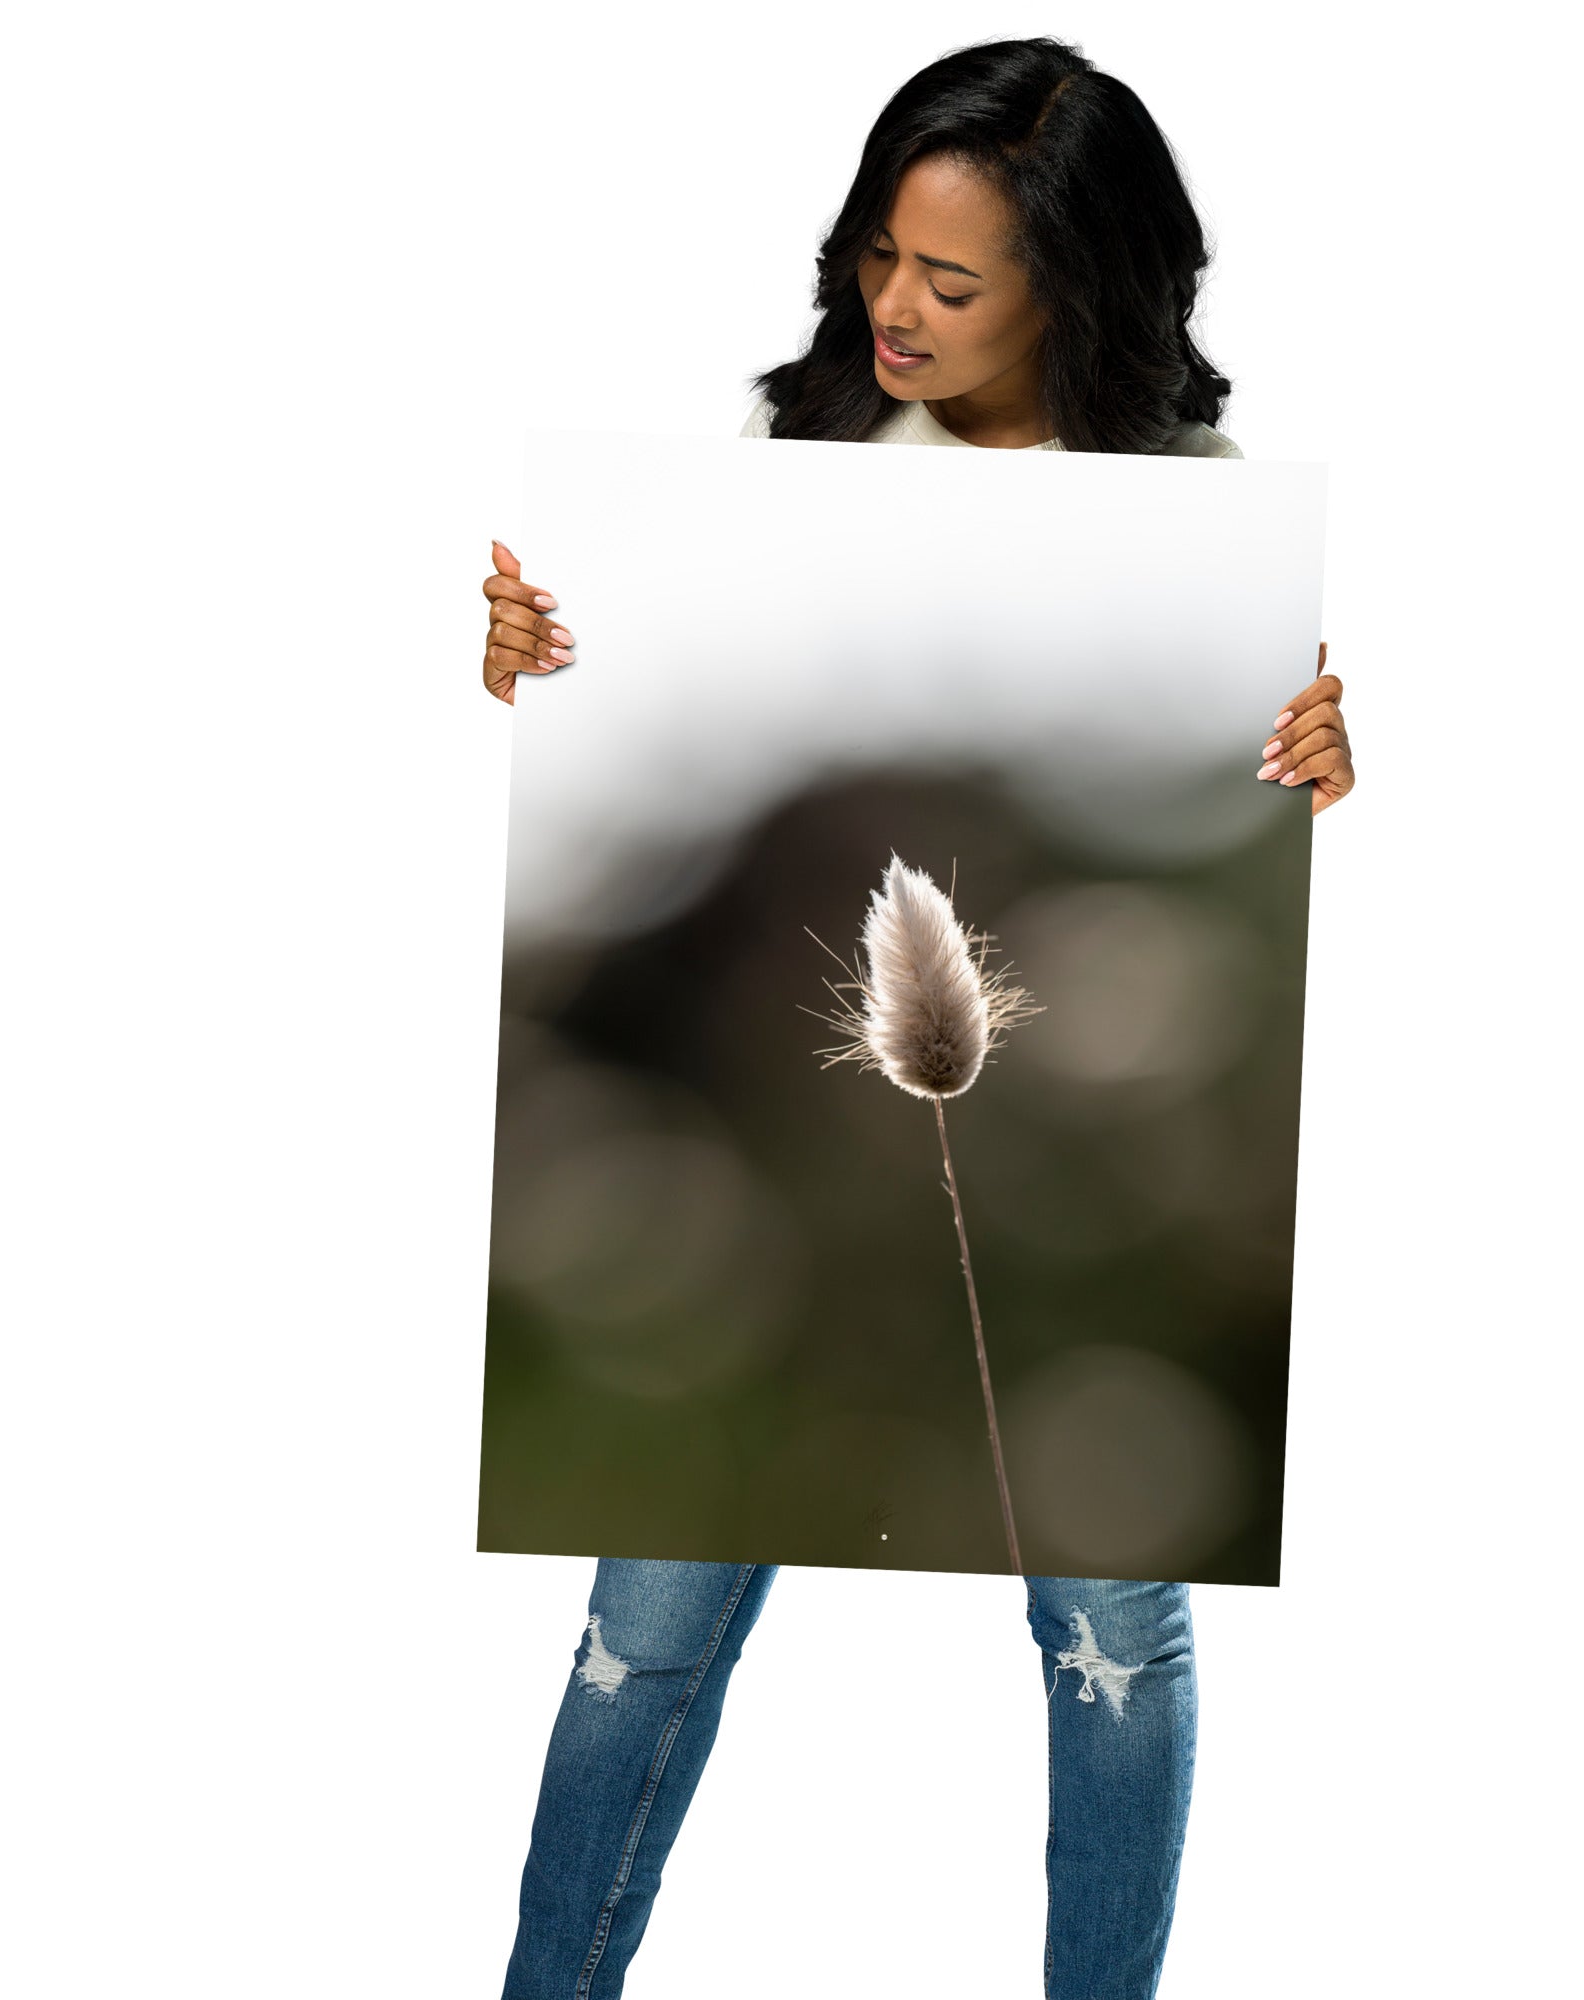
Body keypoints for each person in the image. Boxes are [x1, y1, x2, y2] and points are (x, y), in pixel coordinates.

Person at [479, 38, 1355, 2000]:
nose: (894, 307)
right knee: (648, 1613)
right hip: (769, 1234)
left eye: (951, 282)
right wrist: (491, 660)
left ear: (1083, 284)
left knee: (1114, 1622)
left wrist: (1342, 755)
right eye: (880, 254)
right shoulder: (784, 450)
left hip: (1001, 1246)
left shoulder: (1206, 509)